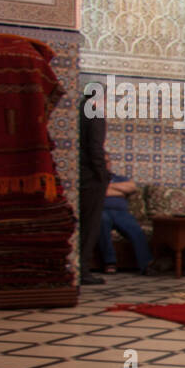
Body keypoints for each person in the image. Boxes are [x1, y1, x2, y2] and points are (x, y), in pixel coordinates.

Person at [98, 157, 152, 275]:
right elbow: (96, 192)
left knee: (136, 230)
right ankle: (110, 262)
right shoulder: (94, 179)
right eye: (102, 161)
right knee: (102, 222)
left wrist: (106, 187)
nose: (105, 164)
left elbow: (132, 187)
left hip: (121, 213)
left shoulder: (119, 178)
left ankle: (146, 265)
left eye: (107, 161)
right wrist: (119, 190)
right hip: (102, 211)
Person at [78, 92, 110, 285]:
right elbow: (96, 149)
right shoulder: (94, 114)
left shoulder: (76, 112)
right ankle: (83, 270)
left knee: (80, 223)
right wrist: (102, 175)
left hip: (78, 175)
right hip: (91, 178)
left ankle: (77, 267)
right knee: (90, 226)